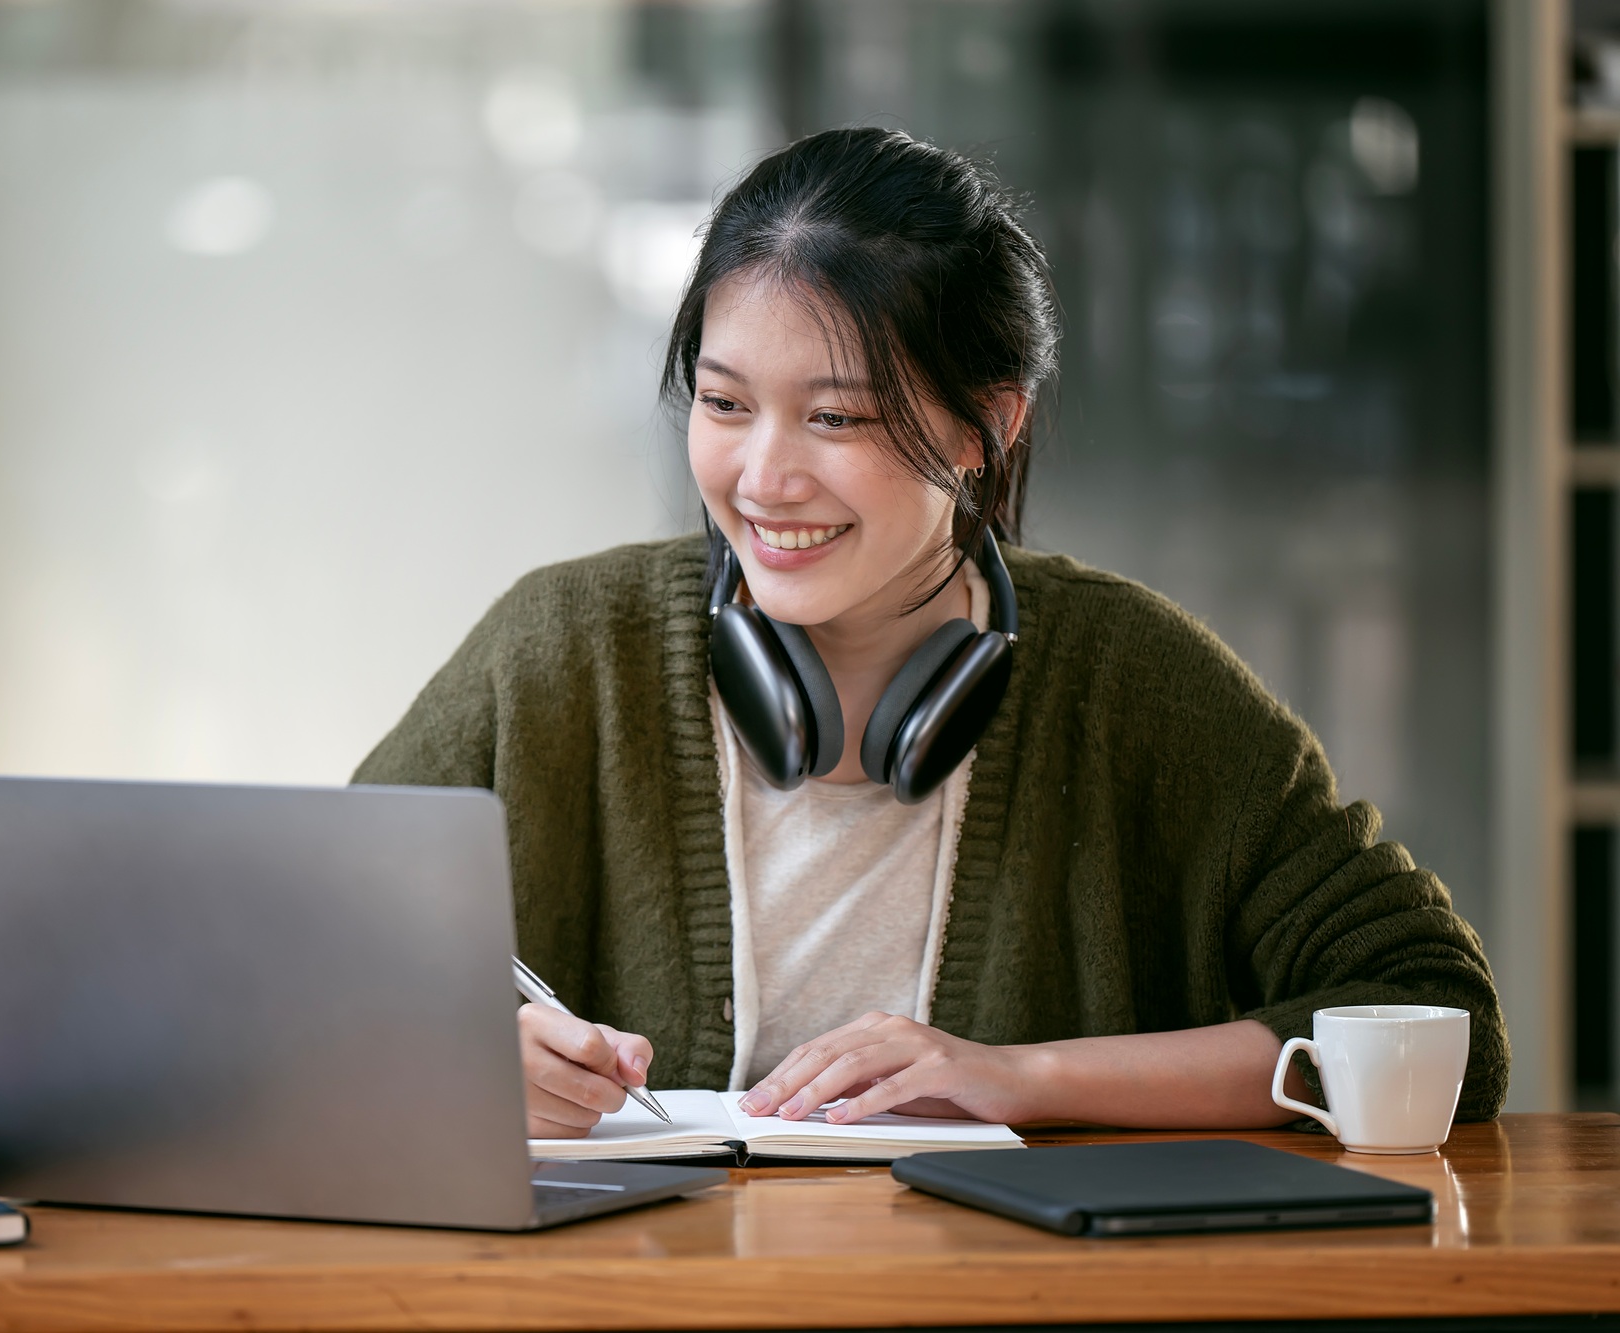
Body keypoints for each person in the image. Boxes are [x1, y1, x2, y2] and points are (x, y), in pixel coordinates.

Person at [354, 127, 1506, 1138]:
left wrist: (1022, 1078)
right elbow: (272, 985)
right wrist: (454, 1063)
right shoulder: (560, 651)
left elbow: (1438, 1017)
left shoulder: (1134, 684)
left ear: (984, 425)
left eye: (835, 416)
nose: (762, 477)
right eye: (722, 403)